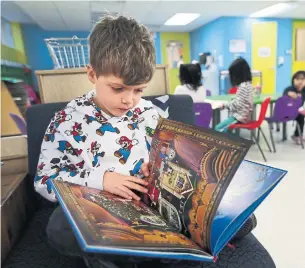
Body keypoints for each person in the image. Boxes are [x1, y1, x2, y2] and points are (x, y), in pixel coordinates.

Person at [36, 16, 261, 268]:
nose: (129, 100)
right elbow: (45, 180)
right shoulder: (66, 121)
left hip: (151, 204)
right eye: (118, 88)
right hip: (101, 211)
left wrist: (159, 166)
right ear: (92, 74)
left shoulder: (149, 113)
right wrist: (102, 179)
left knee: (234, 211)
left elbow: (168, 154)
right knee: (59, 228)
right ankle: (154, 255)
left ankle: (172, 244)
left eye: (139, 90)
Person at [215, 58, 253, 132]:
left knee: (218, 128)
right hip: (243, 116)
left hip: (239, 118)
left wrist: (224, 105)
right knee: (223, 129)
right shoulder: (247, 84)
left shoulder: (243, 86)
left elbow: (236, 105)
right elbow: (241, 102)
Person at [283, 70, 305, 144]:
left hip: (298, 111)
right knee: (301, 116)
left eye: (302, 79)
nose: (300, 81)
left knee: (300, 116)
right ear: (293, 80)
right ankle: (298, 135)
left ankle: (297, 135)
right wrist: (288, 95)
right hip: (286, 112)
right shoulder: (289, 89)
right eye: (297, 79)